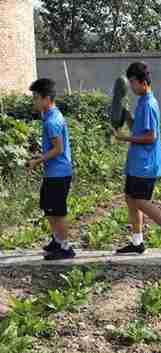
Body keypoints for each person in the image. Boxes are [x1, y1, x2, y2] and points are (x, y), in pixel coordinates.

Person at [112, 62, 161, 259]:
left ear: (143, 82)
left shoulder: (149, 104)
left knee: (141, 201)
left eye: (133, 83)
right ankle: (137, 242)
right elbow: (140, 128)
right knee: (130, 198)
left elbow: (150, 137)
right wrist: (127, 116)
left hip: (145, 164)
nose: (131, 87)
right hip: (137, 163)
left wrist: (124, 138)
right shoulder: (142, 101)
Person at [27, 78, 76, 261]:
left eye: (36, 97)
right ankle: (56, 240)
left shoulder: (52, 120)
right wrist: (40, 157)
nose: (35, 101)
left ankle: (66, 248)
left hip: (59, 173)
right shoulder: (49, 116)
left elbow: (58, 149)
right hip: (53, 172)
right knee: (49, 209)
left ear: (46, 98)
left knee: (57, 211)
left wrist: (37, 160)